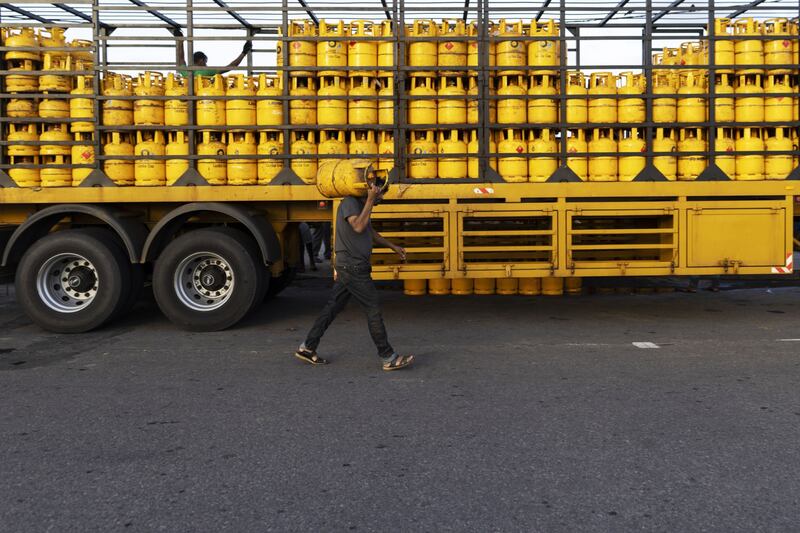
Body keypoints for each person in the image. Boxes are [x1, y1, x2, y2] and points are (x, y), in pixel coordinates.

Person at [295, 181, 414, 371]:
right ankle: (387, 356)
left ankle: (307, 347)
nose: (380, 198)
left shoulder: (361, 205)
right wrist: (370, 199)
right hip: (353, 267)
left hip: (351, 267)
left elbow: (369, 231)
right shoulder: (351, 202)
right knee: (373, 309)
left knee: (333, 308)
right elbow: (358, 226)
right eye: (380, 194)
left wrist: (393, 246)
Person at [172, 27, 252, 76]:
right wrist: (243, 53)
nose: (206, 64)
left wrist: (180, 42)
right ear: (201, 60)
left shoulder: (185, 71)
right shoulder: (206, 71)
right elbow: (231, 66)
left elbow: (181, 57)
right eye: (205, 61)